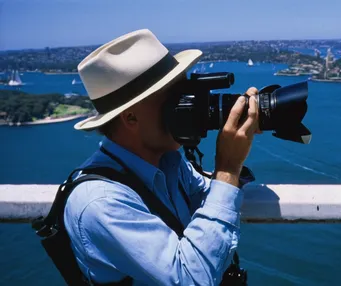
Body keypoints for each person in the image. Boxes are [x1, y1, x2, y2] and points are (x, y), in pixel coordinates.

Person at [64, 29, 260, 285]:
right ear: (131, 118)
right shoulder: (101, 203)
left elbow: (209, 196)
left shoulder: (168, 162)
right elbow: (191, 278)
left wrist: (239, 126)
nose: (189, 106)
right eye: (176, 98)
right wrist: (228, 167)